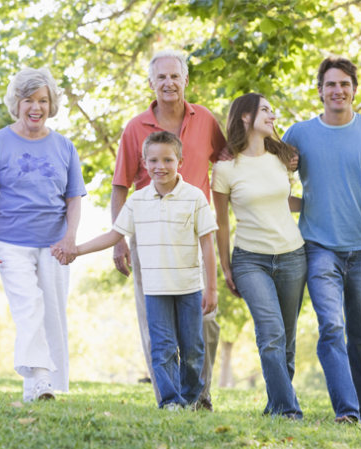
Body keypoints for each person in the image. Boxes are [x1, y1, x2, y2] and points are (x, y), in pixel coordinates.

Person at [55, 131, 218, 409]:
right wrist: (76, 249)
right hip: (155, 290)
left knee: (193, 350)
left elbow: (207, 245)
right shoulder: (137, 200)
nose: (160, 166)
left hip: (189, 287)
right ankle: (170, 401)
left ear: (180, 160)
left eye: (168, 159)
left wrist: (211, 288)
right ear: (144, 162)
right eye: (153, 160)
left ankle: (192, 399)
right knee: (163, 348)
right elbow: (113, 235)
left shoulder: (195, 197)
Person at [283, 57, 361, 423]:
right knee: (331, 328)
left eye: (344, 84)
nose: (338, 90)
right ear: (319, 90)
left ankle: (359, 411)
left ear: (354, 90)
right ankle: (347, 412)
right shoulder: (298, 134)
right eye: (331, 84)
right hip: (318, 247)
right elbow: (268, 178)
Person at [110, 49, 227, 410]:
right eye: (161, 77)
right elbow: (120, 186)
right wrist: (119, 242)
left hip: (196, 237)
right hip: (151, 240)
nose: (168, 82)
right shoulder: (135, 127)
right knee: (156, 325)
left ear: (186, 80)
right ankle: (170, 398)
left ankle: (199, 395)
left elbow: (230, 160)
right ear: (151, 83)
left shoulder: (205, 119)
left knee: (204, 323)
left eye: (174, 76)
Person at [0, 67, 87, 402]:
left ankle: (35, 385)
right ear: (16, 103)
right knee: (28, 306)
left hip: (54, 243)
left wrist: (70, 238)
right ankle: (42, 380)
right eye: (29, 100)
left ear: (51, 105)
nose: (36, 107)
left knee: (51, 310)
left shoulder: (65, 147)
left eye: (43, 100)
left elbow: (74, 199)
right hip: (10, 242)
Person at [211, 93, 306, 418]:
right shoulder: (225, 168)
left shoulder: (282, 157)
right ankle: (287, 409)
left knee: (287, 341)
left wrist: (314, 207)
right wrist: (225, 266)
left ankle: (276, 402)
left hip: (293, 256)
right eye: (265, 110)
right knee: (271, 333)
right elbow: (222, 223)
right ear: (245, 118)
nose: (272, 116)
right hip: (250, 260)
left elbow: (284, 200)